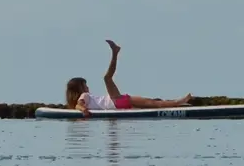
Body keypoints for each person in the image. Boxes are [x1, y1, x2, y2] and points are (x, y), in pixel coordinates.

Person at [65, 40, 194, 114]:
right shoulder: (84, 96)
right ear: (80, 88)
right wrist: (83, 110)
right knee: (107, 78)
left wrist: (83, 110)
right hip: (116, 101)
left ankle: (178, 103)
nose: (88, 87)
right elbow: (79, 104)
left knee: (152, 103)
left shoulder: (87, 98)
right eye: (85, 85)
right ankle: (115, 53)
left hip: (116, 103)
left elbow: (78, 105)